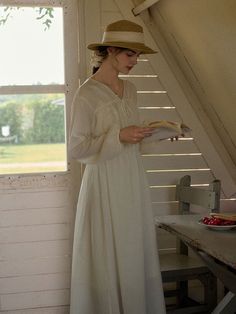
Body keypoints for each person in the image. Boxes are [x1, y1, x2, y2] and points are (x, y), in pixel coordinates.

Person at [69, 19, 166, 314]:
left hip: (131, 180)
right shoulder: (86, 94)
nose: (135, 62)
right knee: (107, 253)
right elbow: (76, 148)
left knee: (133, 249)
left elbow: (132, 135)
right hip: (104, 184)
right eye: (129, 55)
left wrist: (157, 133)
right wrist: (119, 136)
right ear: (110, 50)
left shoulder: (131, 89)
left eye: (137, 56)